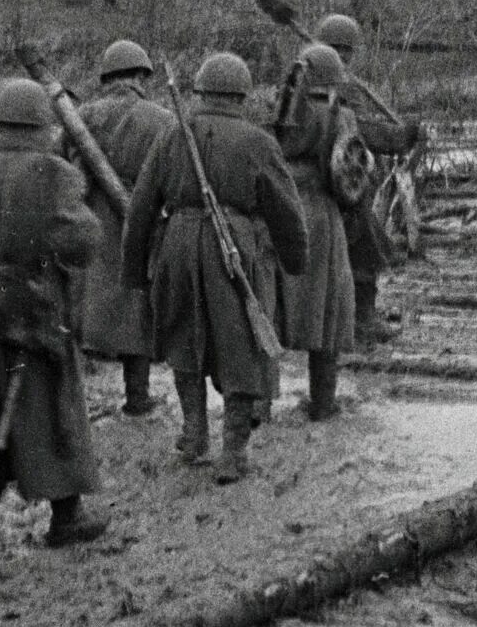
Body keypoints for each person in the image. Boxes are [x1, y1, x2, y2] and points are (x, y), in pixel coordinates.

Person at [122, 53, 308, 482]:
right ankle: (233, 453)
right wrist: (296, 260)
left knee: (182, 337)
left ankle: (193, 433)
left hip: (179, 245)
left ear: (200, 91)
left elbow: (141, 207)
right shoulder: (257, 141)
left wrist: (134, 270)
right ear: (242, 95)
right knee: (242, 344)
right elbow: (285, 209)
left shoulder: (173, 134)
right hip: (234, 247)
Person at [0, 79, 106, 547]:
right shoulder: (56, 174)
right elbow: (81, 244)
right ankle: (65, 519)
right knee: (53, 414)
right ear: (42, 124)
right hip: (34, 314)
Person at [72, 40, 175, 416]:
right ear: (140, 76)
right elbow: (174, 178)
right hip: (140, 218)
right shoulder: (161, 118)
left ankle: (74, 402)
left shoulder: (81, 114)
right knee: (137, 306)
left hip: (89, 215)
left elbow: (57, 164)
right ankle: (137, 397)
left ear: (107, 77)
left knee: (82, 302)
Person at [314, 13, 422, 344]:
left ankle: (349, 319)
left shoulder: (303, 85)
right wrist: (403, 135)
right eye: (339, 50)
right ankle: (361, 320)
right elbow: (358, 133)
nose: (343, 56)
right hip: (341, 190)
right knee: (366, 250)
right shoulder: (336, 90)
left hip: (325, 185)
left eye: (346, 50)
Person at [274, 45, 359, 421]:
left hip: (277, 212)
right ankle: (323, 404)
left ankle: (259, 404)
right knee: (326, 312)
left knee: (269, 305)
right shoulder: (339, 117)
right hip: (321, 217)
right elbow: (348, 176)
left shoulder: (277, 114)